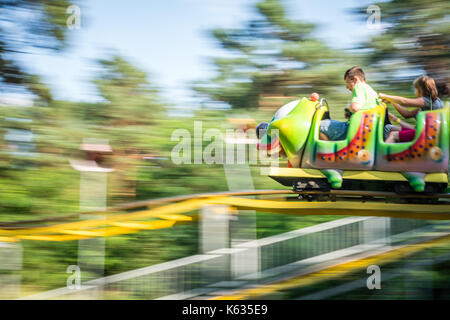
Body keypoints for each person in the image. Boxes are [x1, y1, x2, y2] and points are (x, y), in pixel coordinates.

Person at [380, 75, 446, 143]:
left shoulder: (427, 101)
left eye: (415, 88)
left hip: (427, 135)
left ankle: (382, 153)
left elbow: (404, 101)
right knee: (388, 128)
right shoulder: (429, 104)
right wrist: (392, 101)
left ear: (419, 90)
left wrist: (385, 96)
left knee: (393, 135)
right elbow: (406, 114)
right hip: (424, 131)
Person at [319, 66, 379, 141]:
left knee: (318, 126)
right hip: (365, 129)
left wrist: (347, 108)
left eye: (347, 82)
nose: (347, 87)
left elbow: (355, 107)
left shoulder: (359, 87)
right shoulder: (372, 91)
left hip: (353, 129)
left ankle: (327, 151)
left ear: (355, 79)